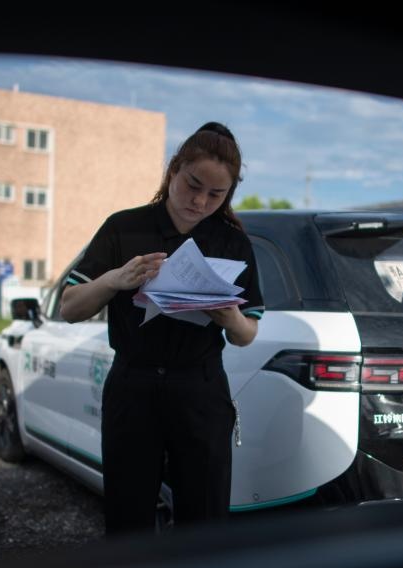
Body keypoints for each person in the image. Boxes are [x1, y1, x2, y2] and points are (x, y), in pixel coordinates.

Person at [60, 122, 264, 536]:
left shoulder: (232, 243)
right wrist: (114, 279)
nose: (200, 201)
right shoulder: (123, 228)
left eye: (216, 194)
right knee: (127, 516)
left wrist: (230, 317)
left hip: (200, 389)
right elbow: (69, 308)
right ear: (173, 169)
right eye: (192, 185)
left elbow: (246, 334)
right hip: (133, 386)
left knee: (205, 518)